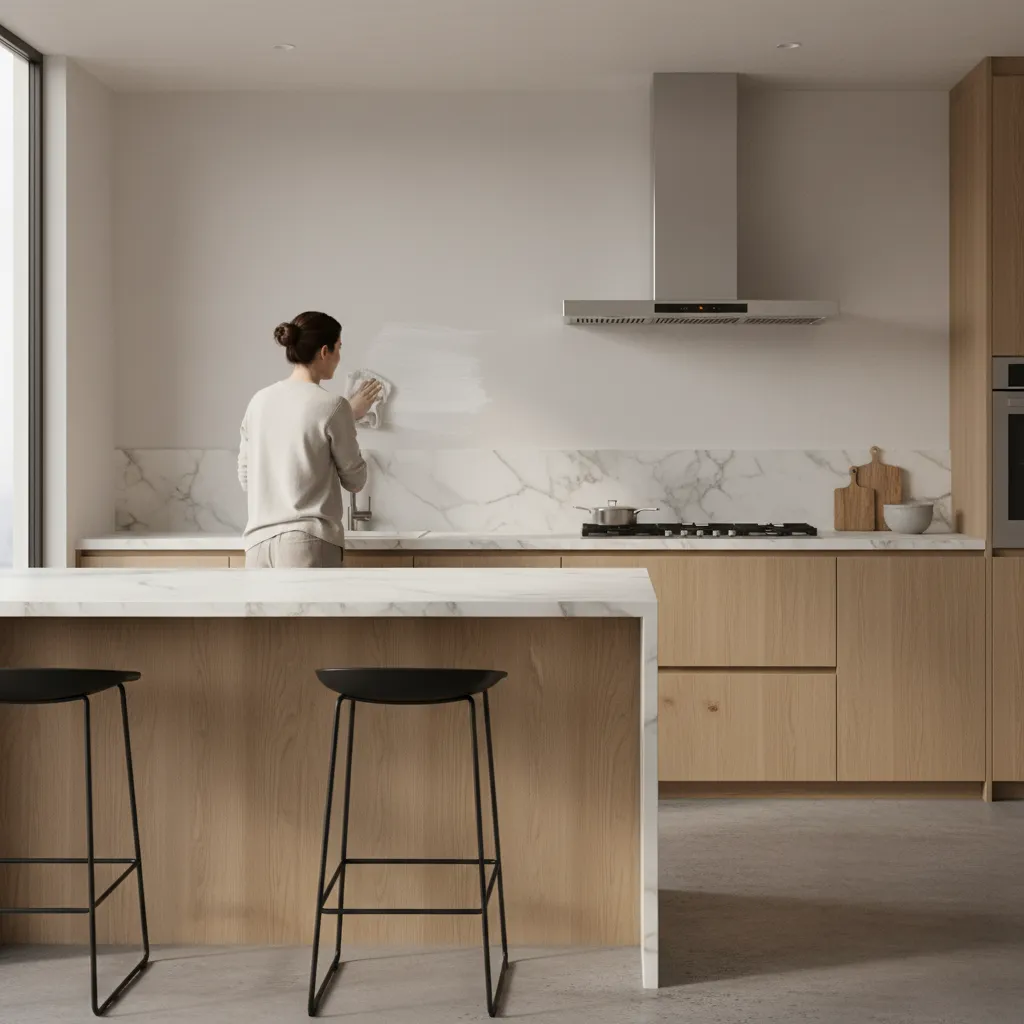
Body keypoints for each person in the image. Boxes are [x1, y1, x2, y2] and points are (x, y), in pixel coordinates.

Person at [238, 311, 382, 568]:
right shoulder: (334, 406)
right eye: (339, 347)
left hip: (257, 544)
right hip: (306, 543)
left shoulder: (258, 401)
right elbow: (356, 481)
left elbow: (246, 478)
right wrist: (348, 417)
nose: (339, 357)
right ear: (324, 351)